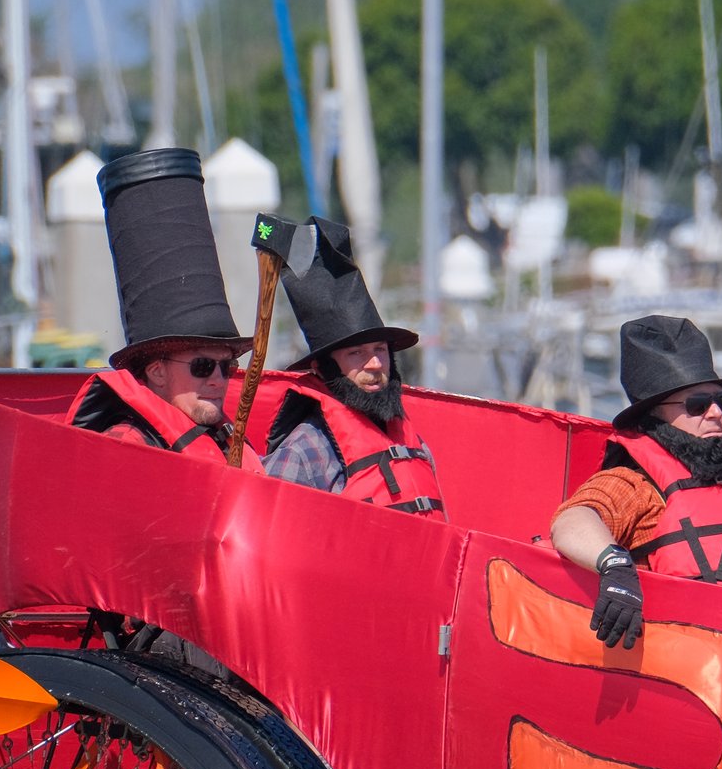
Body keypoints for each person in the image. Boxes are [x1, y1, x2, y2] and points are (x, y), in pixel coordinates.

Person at [551, 315, 722, 650]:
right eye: (697, 405)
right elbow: (572, 520)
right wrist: (614, 564)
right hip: (697, 660)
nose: (716, 413)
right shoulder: (635, 485)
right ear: (654, 417)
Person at [67, 147, 259, 469]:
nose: (218, 380)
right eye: (201, 366)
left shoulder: (228, 441)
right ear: (156, 370)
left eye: (227, 367)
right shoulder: (126, 448)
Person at [257, 215, 444, 516]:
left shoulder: (417, 447)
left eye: (380, 350)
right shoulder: (302, 453)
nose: (374, 363)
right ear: (324, 368)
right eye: (356, 353)